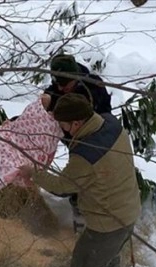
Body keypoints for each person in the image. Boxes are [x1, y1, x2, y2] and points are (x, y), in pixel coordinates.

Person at [19, 93, 141, 267]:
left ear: (75, 123)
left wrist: (33, 173)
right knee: (109, 256)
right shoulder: (110, 123)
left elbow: (62, 186)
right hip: (128, 210)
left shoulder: (86, 154)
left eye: (63, 126)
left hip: (107, 223)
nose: (63, 131)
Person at [42, 53, 113, 232]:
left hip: (98, 146)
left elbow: (80, 109)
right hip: (76, 146)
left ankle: (98, 231)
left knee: (91, 190)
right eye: (57, 83)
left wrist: (53, 104)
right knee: (77, 190)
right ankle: (80, 230)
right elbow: (51, 98)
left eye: (64, 84)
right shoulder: (60, 87)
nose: (60, 87)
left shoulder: (92, 88)